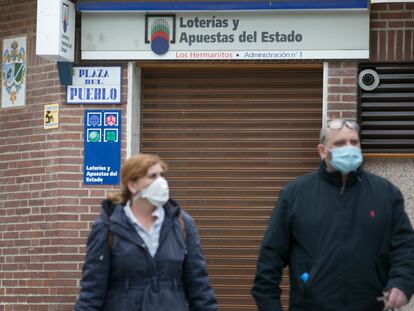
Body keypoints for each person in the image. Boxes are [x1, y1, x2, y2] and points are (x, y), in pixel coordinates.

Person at [251, 119, 414, 311]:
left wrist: (401, 283)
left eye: (354, 142)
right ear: (322, 151)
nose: (349, 148)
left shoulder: (385, 193)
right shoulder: (295, 194)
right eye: (339, 143)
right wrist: (270, 306)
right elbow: (270, 257)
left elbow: (405, 246)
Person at [74, 153, 218, 311]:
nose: (161, 182)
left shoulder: (182, 223)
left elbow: (199, 285)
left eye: (162, 175)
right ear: (132, 185)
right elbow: (92, 290)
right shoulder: (108, 226)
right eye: (152, 176)